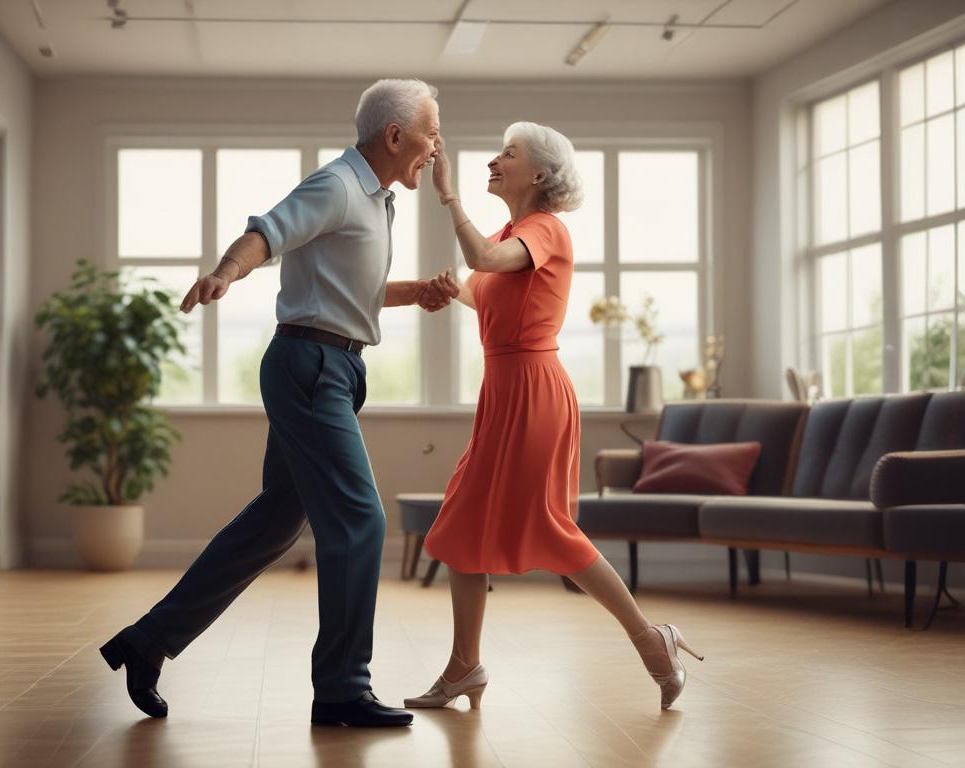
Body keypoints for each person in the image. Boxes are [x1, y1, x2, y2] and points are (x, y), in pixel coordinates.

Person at [99, 78, 460, 728]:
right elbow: (267, 232)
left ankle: (147, 642)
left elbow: (348, 291)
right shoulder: (338, 184)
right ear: (395, 135)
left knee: (276, 521)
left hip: (336, 366)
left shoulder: (377, 201)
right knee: (360, 522)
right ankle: (342, 690)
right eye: (432, 132)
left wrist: (416, 294)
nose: (437, 147)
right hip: (310, 366)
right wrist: (224, 272)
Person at [405, 123, 703, 713]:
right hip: (504, 389)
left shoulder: (547, 229)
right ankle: (465, 667)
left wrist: (447, 194)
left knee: (549, 526)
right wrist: (452, 291)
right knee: (464, 525)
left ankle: (652, 641)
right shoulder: (511, 233)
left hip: (535, 390)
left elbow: (483, 260)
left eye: (507, 154)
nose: (494, 160)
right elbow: (485, 287)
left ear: (539, 175)